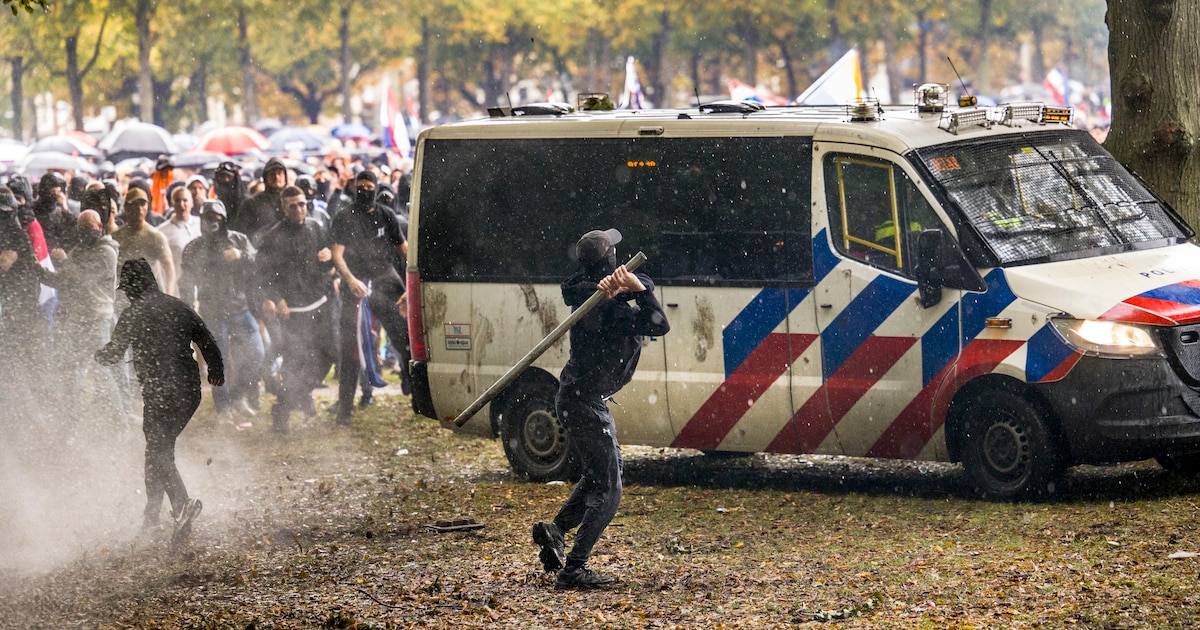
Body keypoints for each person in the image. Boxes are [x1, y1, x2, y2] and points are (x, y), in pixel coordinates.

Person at [532, 228, 670, 590]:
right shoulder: (609, 312)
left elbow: (576, 285)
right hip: (584, 403)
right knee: (611, 487)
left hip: (578, 397)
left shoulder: (588, 292)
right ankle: (574, 569)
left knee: (598, 474)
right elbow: (660, 324)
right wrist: (638, 293)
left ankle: (556, 530)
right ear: (608, 263)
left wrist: (631, 285)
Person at [96, 258, 224, 545]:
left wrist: (94, 355)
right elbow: (206, 339)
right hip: (189, 392)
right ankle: (152, 517)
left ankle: (181, 505)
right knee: (157, 450)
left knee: (158, 451)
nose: (126, 294)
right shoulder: (177, 305)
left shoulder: (131, 315)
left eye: (127, 288)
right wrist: (217, 370)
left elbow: (114, 353)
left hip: (160, 395)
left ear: (131, 287)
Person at [329, 170, 411, 425]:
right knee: (350, 350)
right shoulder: (344, 216)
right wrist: (350, 279)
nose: (365, 191)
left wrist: (411, 284)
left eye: (369, 186)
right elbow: (337, 254)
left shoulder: (386, 215)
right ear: (354, 188)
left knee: (407, 337)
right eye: (360, 186)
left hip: (385, 279)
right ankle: (344, 410)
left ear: (375, 188)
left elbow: (405, 249)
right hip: (357, 283)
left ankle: (417, 392)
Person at [257, 186, 336, 432]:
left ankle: (298, 395)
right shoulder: (273, 237)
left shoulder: (316, 227)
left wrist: (328, 257)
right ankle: (282, 411)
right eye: (293, 205)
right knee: (294, 362)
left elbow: (329, 261)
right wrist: (275, 298)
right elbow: (262, 274)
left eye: (302, 204)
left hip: (320, 303)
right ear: (283, 207)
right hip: (293, 310)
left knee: (329, 354)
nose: (299, 209)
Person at [39, 210, 128, 427]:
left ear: (100, 226)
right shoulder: (80, 250)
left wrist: (64, 260)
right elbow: (64, 280)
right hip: (77, 319)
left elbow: (81, 279)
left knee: (102, 371)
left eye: (89, 227)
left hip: (98, 320)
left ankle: (120, 423)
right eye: (81, 228)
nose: (86, 232)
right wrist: (39, 271)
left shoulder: (108, 252)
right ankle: (70, 422)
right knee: (73, 369)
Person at [180, 199, 264, 420]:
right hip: (212, 311)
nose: (212, 222)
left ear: (224, 218)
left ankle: (238, 396)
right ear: (201, 220)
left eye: (216, 217)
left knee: (257, 352)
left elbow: (259, 263)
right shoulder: (194, 248)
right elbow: (186, 282)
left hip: (240, 307)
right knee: (218, 361)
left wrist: (241, 255)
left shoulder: (238, 239)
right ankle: (224, 408)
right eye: (207, 217)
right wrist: (188, 310)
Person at [111, 187, 176, 296]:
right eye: (135, 204)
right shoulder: (117, 237)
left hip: (150, 295)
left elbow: (168, 267)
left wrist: (169, 293)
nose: (139, 209)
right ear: (126, 207)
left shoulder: (155, 237)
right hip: (123, 294)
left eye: (143, 204)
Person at [235, 157, 287, 243]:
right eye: (272, 174)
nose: (277, 177)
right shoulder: (251, 203)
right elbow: (243, 233)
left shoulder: (292, 201)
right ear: (266, 177)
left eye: (280, 173)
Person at [159, 185, 201, 285]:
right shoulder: (162, 231)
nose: (182, 205)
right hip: (177, 286)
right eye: (177, 201)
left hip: (201, 284)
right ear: (172, 204)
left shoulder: (201, 224)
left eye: (185, 200)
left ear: (192, 203)